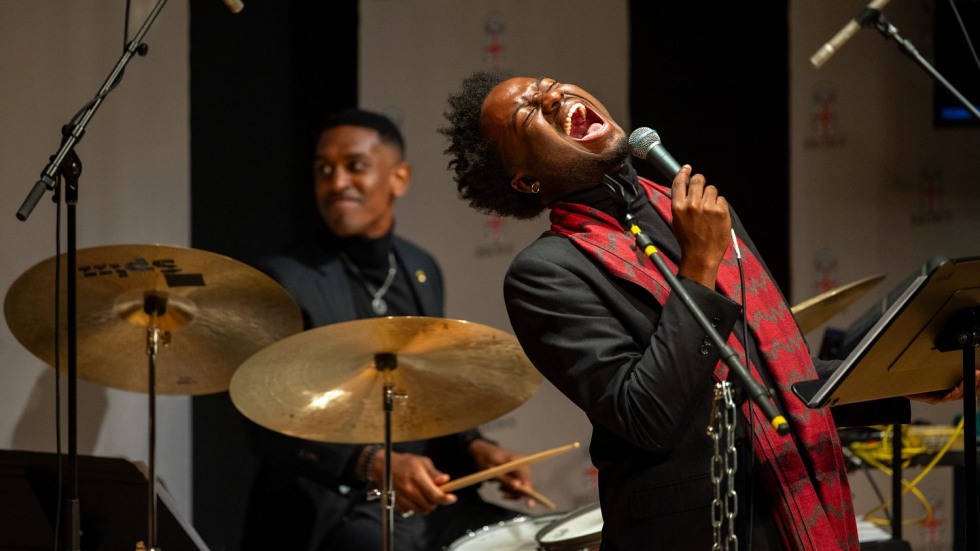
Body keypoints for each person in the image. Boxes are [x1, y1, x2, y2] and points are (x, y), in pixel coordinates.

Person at [440, 71, 976, 551]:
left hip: (786, 494)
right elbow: (645, 417)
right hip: (694, 530)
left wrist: (891, 378)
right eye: (529, 110)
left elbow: (767, 378)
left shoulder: (691, 210)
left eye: (547, 82)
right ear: (526, 180)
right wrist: (699, 263)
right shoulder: (547, 272)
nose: (553, 94)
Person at [242, 108, 533, 551]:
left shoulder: (420, 268)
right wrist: (371, 464)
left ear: (399, 178)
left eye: (355, 167)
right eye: (324, 170)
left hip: (418, 501)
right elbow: (266, 427)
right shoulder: (285, 280)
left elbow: (427, 396)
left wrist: (476, 448)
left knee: (530, 538)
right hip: (331, 508)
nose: (337, 183)